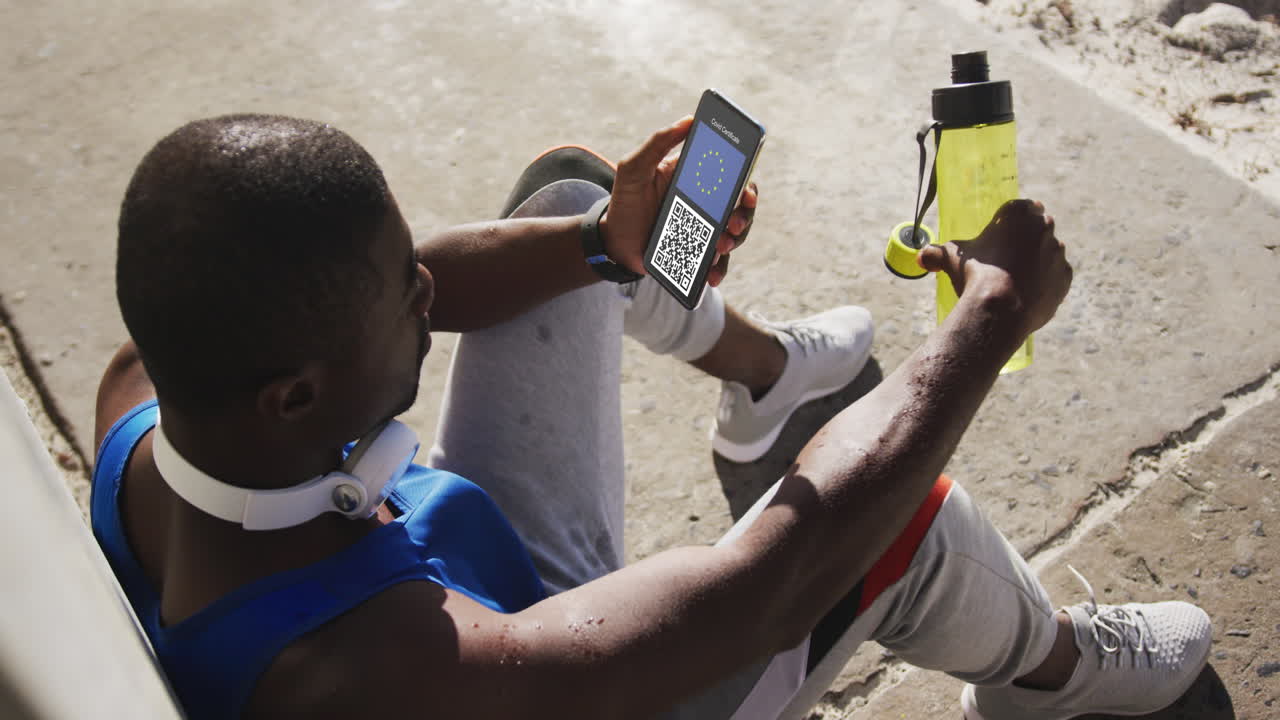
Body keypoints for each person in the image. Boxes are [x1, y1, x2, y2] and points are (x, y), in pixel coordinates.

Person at [91, 113, 1210, 720]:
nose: (429, 287)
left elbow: (389, 289)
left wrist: (599, 243)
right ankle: (1052, 678)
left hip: (472, 588)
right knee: (904, 527)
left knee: (570, 193)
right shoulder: (379, 675)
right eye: (403, 292)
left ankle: (766, 375)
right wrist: (991, 317)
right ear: (295, 393)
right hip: (554, 679)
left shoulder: (150, 394)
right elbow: (771, 582)